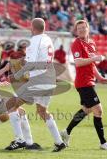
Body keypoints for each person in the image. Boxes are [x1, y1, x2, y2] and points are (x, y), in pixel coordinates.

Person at [5, 18, 65, 152]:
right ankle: (59, 142)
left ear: (32, 28)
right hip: (50, 79)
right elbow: (32, 60)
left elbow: (31, 64)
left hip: (39, 80)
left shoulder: (34, 41)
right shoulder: (48, 39)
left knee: (11, 104)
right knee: (42, 111)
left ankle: (20, 140)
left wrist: (16, 75)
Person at [0, 39, 41, 150]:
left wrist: (0, 82)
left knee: (19, 112)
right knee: (14, 107)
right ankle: (20, 140)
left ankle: (28, 142)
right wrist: (5, 69)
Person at [60, 20, 107, 150]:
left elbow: (92, 64)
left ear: (88, 28)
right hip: (83, 82)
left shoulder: (91, 43)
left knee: (87, 109)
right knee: (98, 110)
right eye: (78, 28)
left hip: (90, 81)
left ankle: (66, 132)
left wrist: (100, 77)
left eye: (83, 28)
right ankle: (103, 142)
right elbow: (78, 62)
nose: (81, 30)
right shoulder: (76, 44)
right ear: (76, 31)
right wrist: (95, 58)